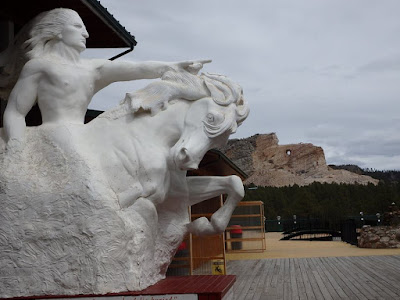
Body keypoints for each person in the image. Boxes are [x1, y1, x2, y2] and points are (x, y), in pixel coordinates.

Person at [3, 8, 210, 146]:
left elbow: (137, 68)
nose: (86, 34)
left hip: (82, 136)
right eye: (78, 27)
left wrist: (172, 66)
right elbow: (15, 112)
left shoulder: (93, 68)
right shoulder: (39, 66)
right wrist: (17, 146)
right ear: (57, 31)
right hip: (54, 138)